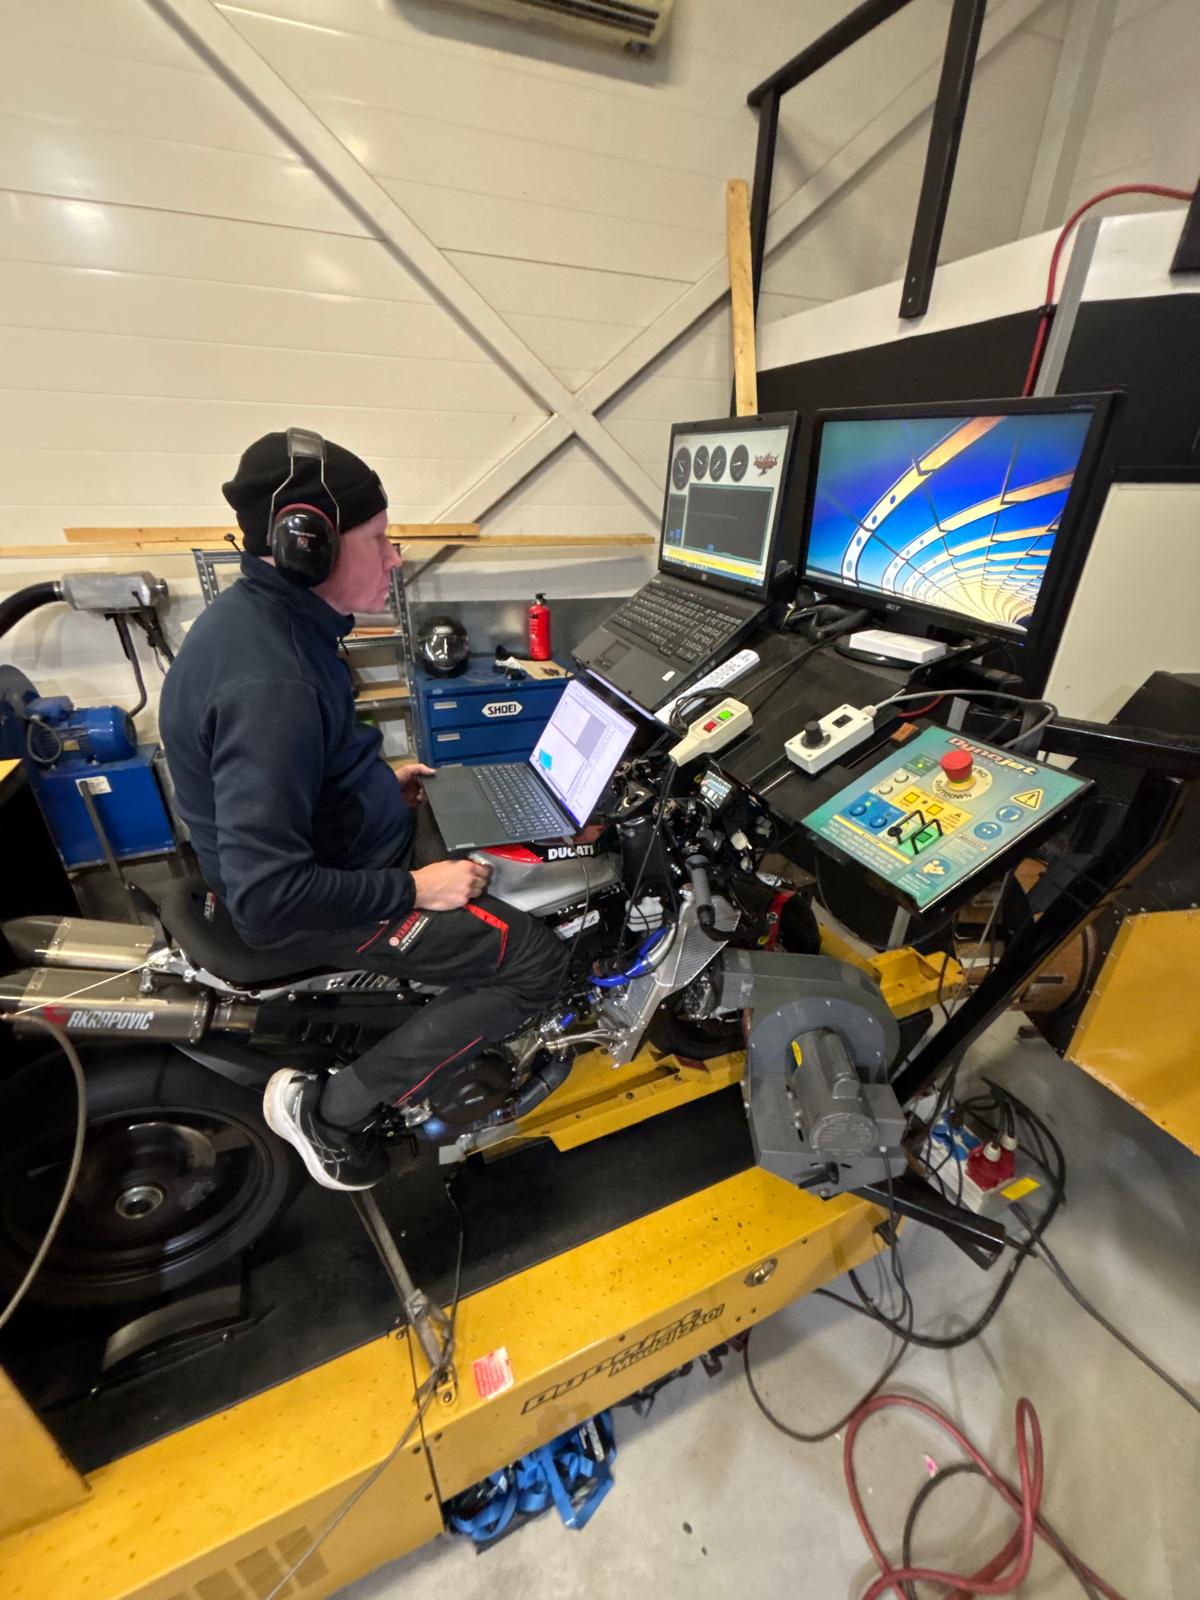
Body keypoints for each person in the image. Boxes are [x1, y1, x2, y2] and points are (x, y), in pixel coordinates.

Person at [159, 431, 567, 1192]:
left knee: (495, 845)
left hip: (346, 845)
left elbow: (294, 767)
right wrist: (415, 890)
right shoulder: (273, 679)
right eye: (378, 540)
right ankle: (334, 1114)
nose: (394, 558)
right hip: (316, 903)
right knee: (536, 964)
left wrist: (373, 783)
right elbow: (269, 893)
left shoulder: (271, 621)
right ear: (307, 546)